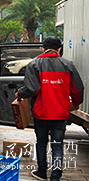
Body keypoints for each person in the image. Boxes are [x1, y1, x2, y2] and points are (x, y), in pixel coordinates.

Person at [15, 37, 84, 181]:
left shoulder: (34, 64)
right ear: (59, 49)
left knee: (41, 143)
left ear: (43, 48)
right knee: (57, 145)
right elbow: (78, 89)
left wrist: (19, 93)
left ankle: (41, 172)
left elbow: (31, 89)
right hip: (60, 114)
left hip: (41, 113)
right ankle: (55, 176)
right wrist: (76, 103)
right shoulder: (68, 65)